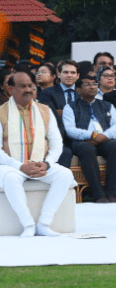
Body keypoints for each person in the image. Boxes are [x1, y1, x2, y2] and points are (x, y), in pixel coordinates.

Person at [0, 70, 76, 236]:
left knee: (65, 174)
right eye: (22, 86)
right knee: (11, 178)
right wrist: (20, 166)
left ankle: (43, 224)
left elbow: (56, 143)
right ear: (10, 89)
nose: (27, 89)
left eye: (30, 86)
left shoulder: (44, 110)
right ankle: (28, 225)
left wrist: (47, 163)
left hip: (40, 164)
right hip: (10, 165)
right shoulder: (1, 112)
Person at [63, 72, 116, 203]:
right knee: (86, 149)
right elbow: (69, 130)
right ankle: (98, 194)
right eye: (87, 84)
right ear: (78, 90)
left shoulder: (106, 105)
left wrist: (104, 136)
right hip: (82, 141)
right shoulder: (70, 107)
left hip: (104, 140)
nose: (92, 87)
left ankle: (111, 193)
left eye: (94, 84)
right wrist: (91, 135)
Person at [37, 59, 78, 169]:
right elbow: (50, 117)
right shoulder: (47, 93)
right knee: (66, 152)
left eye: (73, 73)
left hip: (80, 137)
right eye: (65, 72)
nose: (69, 75)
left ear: (78, 76)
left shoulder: (82, 93)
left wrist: (62, 112)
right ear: (58, 74)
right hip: (60, 137)